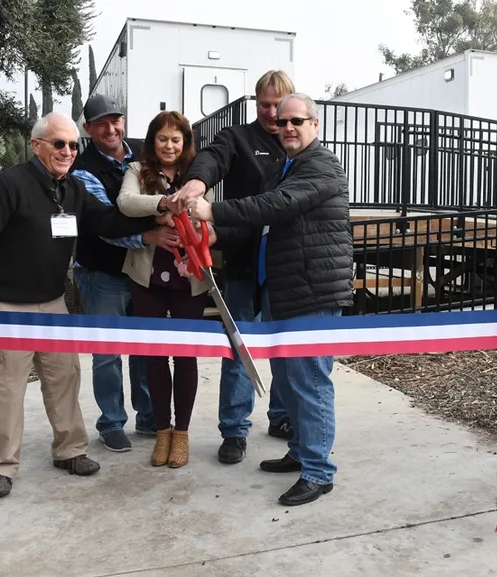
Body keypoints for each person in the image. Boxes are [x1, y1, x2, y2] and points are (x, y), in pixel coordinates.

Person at [0, 112, 163, 499]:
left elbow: (107, 221)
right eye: (58, 143)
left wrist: (156, 218)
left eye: (72, 145)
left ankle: (70, 451)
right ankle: (1, 466)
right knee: (3, 388)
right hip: (4, 309)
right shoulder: (5, 186)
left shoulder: (71, 189)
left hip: (53, 305)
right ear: (36, 146)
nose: (68, 151)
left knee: (64, 380)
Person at [188, 93, 354, 506]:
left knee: (311, 382)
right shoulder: (288, 165)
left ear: (315, 125)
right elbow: (266, 220)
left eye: (298, 120)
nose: (289, 128)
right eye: (283, 122)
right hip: (286, 289)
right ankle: (301, 453)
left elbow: (277, 205)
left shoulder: (320, 165)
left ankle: (318, 472)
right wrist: (214, 233)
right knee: (292, 381)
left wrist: (213, 212)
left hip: (310, 291)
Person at [170, 70, 296, 465]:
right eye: (265, 105)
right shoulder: (238, 138)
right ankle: (234, 431)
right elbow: (211, 158)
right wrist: (196, 184)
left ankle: (281, 418)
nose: (273, 113)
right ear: (255, 102)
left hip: (284, 265)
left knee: (284, 349)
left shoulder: (300, 146)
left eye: (280, 105)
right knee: (239, 348)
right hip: (242, 262)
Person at [117, 111, 211, 468]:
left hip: (190, 275)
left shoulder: (197, 177)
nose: (169, 145)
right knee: (154, 355)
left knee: (185, 356)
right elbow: (125, 203)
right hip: (147, 276)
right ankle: (161, 431)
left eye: (177, 139)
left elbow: (206, 212)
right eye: (162, 138)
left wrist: (188, 214)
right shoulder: (137, 172)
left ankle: (182, 433)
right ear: (151, 141)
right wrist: (162, 206)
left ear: (185, 143)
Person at [71, 94, 157, 453]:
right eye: (101, 123)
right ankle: (111, 422)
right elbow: (103, 220)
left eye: (115, 120)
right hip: (102, 272)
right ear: (88, 129)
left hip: (141, 271)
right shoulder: (81, 168)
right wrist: (151, 232)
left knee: (145, 349)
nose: (111, 128)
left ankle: (149, 417)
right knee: (107, 353)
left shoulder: (143, 153)